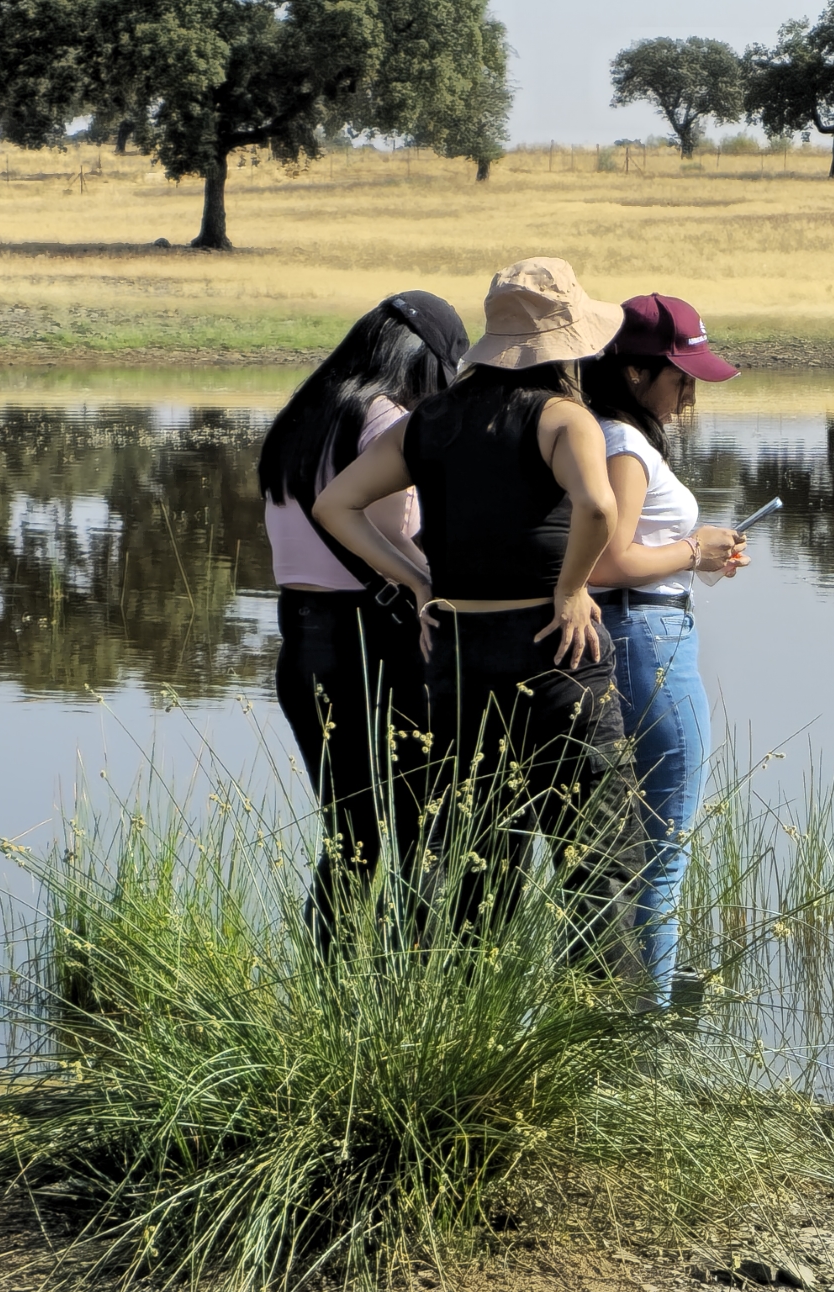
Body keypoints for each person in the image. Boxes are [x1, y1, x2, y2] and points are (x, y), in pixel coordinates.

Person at [312, 257, 647, 968]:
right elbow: (595, 504)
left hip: (460, 659)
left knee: (475, 864)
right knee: (599, 864)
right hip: (559, 655)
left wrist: (417, 581)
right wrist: (571, 586)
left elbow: (334, 505)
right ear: (568, 346)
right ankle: (607, 1052)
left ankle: (463, 1029)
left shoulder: (430, 420)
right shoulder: (564, 416)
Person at [256, 289, 467, 942]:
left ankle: (332, 988)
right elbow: (380, 524)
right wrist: (427, 583)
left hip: (303, 645)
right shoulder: (385, 419)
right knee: (422, 828)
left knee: (350, 835)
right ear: (425, 361)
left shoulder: (304, 414)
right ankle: (414, 987)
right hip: (374, 642)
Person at [584, 294, 751, 1003]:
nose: (690, 393)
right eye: (681, 376)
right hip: (646, 638)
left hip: (624, 632)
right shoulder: (622, 443)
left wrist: (697, 559)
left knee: (606, 851)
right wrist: (692, 548)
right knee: (661, 854)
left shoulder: (595, 431)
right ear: (632, 373)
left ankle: (598, 1016)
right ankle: (644, 1033)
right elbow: (606, 561)